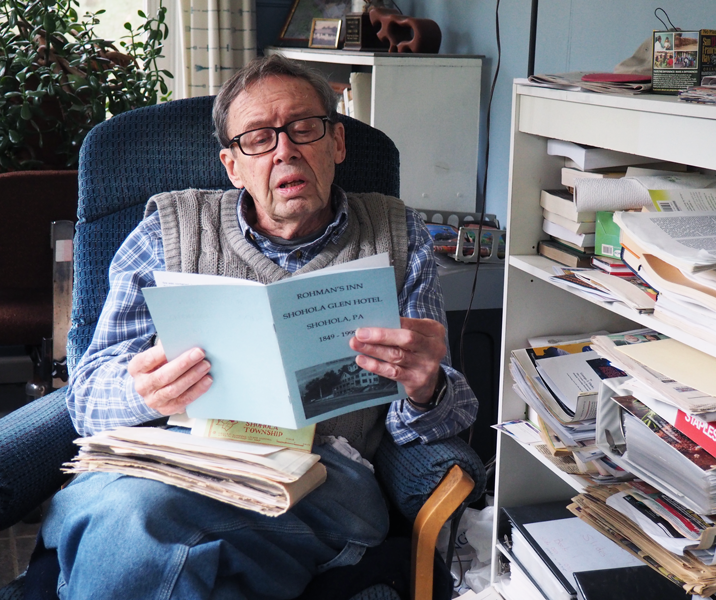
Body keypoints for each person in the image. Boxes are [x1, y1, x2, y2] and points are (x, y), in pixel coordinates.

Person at [40, 54, 479, 599]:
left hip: (319, 482)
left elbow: (441, 422)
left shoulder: (398, 235)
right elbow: (85, 399)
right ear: (232, 165)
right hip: (176, 459)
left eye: (304, 128)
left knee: (131, 518)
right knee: (167, 542)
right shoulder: (164, 231)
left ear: (336, 143)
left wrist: (425, 387)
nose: (285, 150)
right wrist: (142, 392)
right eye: (258, 139)